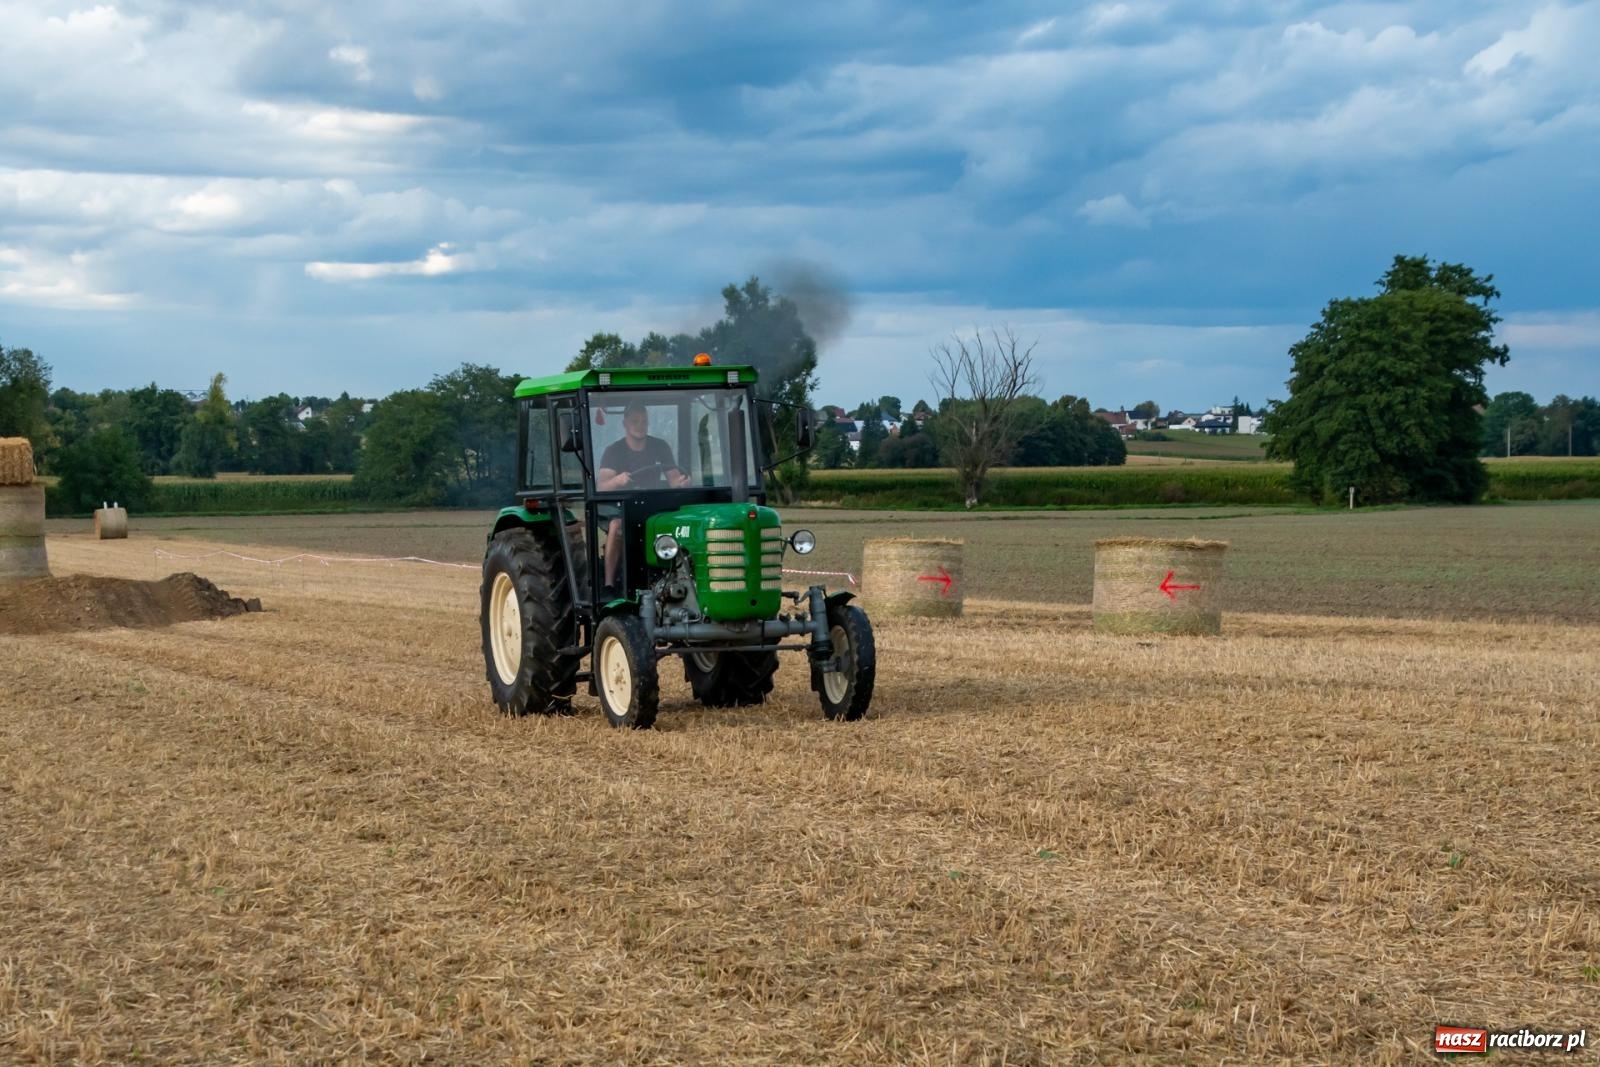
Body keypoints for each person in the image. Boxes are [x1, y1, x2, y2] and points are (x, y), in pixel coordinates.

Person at [597, 402, 689, 593]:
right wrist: (617, 481)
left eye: (644, 421)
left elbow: (673, 479)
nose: (640, 425)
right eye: (635, 421)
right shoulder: (614, 450)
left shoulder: (660, 446)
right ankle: (609, 584)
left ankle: (676, 578)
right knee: (616, 525)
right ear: (625, 424)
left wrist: (682, 482)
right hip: (621, 506)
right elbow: (601, 486)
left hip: (653, 504)